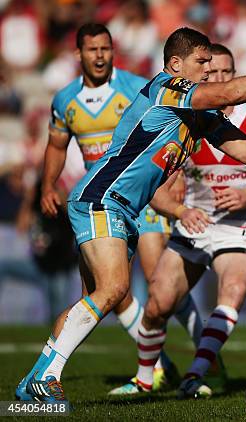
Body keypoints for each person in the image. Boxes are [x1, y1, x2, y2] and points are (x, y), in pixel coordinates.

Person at [19, 26, 246, 402]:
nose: (208, 69)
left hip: (121, 207)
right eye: (202, 62)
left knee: (96, 294)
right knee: (114, 289)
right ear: (175, 65)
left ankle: (35, 379)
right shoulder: (167, 88)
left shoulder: (199, 116)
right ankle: (48, 378)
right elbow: (228, 91)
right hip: (101, 198)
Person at [16, 23, 198, 400]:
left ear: (113, 51)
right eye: (91, 49)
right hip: (102, 198)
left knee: (142, 283)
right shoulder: (65, 99)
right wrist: (47, 184)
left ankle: (177, 362)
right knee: (107, 293)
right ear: (78, 54)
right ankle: (161, 362)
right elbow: (56, 145)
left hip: (143, 199)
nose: (99, 55)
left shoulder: (137, 87)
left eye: (105, 48)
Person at [108, 43, 246, 398]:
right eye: (213, 74)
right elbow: (157, 190)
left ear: (236, 77)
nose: (221, 79)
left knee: (233, 292)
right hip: (193, 227)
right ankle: (145, 379)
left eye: (228, 73)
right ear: (203, 78)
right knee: (157, 304)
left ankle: (196, 375)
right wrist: (182, 211)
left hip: (241, 228)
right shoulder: (184, 123)